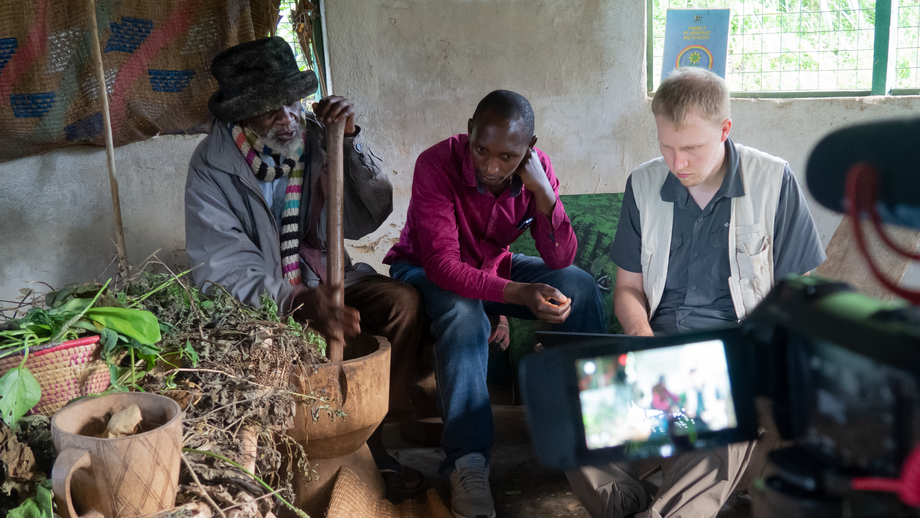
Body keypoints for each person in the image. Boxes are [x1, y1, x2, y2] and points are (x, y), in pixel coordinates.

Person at [567, 67, 826, 518]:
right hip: (661, 350)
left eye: (690, 148)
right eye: (666, 146)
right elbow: (627, 288)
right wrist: (642, 339)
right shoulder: (644, 186)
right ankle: (635, 509)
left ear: (725, 130)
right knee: (573, 420)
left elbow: (798, 304)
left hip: (739, 358)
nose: (677, 162)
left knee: (720, 420)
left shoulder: (772, 182)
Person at [184, 36, 424, 496]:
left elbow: (367, 217)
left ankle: (371, 437)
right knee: (268, 356)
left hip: (330, 280)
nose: (289, 116)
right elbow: (222, 269)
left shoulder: (317, 137)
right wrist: (294, 301)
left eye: (292, 101)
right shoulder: (212, 167)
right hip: (263, 302)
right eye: (270, 109)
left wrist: (349, 145)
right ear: (240, 114)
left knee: (402, 303)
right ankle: (295, 449)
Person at [383, 90, 607, 518]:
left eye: (507, 157)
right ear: (469, 131)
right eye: (482, 149)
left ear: (529, 150)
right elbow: (444, 266)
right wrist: (511, 296)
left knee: (576, 286)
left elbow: (561, 259)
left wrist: (543, 191)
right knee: (463, 312)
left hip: (493, 266)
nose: (490, 166)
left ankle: (592, 434)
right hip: (422, 269)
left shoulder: (536, 175)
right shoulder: (435, 164)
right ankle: (467, 461)